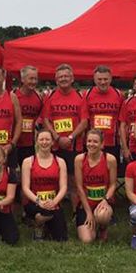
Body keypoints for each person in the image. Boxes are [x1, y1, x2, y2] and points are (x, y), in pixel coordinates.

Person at [42, 64, 88, 210]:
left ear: (72, 78)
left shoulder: (80, 97)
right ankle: (55, 209)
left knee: (74, 180)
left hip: (74, 145)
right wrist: (56, 137)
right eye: (60, 77)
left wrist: (70, 137)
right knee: (54, 179)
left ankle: (76, 211)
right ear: (56, 80)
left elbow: (84, 121)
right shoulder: (50, 97)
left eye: (66, 76)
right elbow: (46, 120)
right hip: (55, 145)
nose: (63, 79)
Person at [21, 130, 68, 241]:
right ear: (36, 142)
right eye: (41, 139)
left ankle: (47, 225)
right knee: (41, 214)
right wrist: (39, 202)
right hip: (34, 203)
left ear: (52, 142)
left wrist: (54, 202)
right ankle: (38, 226)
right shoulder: (28, 161)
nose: (44, 142)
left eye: (47, 139)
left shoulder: (60, 162)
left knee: (61, 238)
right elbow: (25, 187)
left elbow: (64, 187)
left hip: (53, 203)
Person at [74, 129, 117, 243]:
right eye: (89, 141)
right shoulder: (79, 159)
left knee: (102, 216)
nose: (91, 144)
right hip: (86, 203)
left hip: (103, 202)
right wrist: (88, 212)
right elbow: (79, 188)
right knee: (87, 240)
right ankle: (91, 224)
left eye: (95, 142)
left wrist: (105, 200)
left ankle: (103, 227)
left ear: (102, 144)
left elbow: (113, 184)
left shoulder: (110, 159)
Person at [83, 66, 123, 167]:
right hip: (92, 143)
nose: (103, 82)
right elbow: (84, 120)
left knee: (112, 171)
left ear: (111, 79)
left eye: (105, 79)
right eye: (99, 79)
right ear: (94, 80)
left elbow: (122, 121)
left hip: (113, 142)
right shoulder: (87, 94)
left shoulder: (118, 94)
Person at [13, 65, 43, 169]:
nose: (33, 82)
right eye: (31, 79)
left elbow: (41, 117)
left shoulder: (39, 98)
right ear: (22, 79)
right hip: (13, 143)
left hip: (29, 144)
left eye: (35, 79)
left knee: (28, 171)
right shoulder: (13, 95)